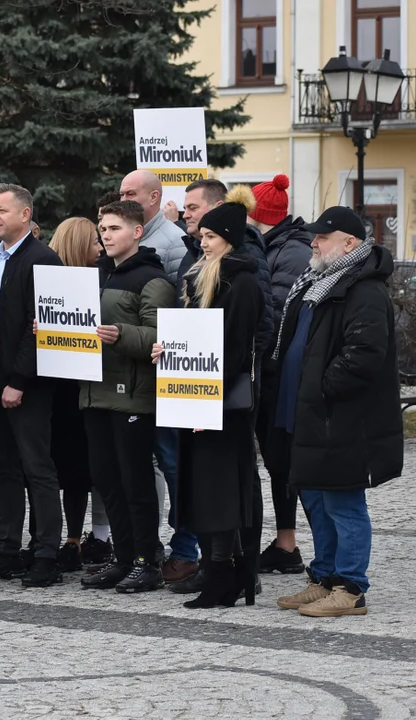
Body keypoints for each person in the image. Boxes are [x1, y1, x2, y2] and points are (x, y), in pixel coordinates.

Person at [274, 206, 403, 618]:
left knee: (343, 503)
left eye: (322, 237)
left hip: (340, 416)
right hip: (311, 414)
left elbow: (364, 355)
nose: (313, 242)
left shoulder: (363, 288)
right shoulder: (318, 282)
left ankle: (351, 587)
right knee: (315, 497)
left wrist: (322, 387)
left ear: (349, 243)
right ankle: (325, 578)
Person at [152, 186, 262, 609]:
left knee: (221, 493)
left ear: (229, 240)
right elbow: (195, 341)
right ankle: (218, 572)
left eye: (210, 237)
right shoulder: (203, 276)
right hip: (198, 402)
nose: (202, 241)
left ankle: (225, 573)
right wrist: (169, 350)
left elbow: (232, 351)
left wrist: (207, 403)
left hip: (221, 408)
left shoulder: (243, 282)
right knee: (202, 490)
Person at [0, 183, 64, 588]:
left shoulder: (42, 259)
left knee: (37, 467)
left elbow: (38, 328)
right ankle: (6, 547)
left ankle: (46, 554)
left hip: (27, 382)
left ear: (25, 215)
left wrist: (19, 381)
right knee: (2, 467)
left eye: (2, 210)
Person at [75, 201, 177, 593]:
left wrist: (122, 335)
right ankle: (122, 558)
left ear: (137, 232)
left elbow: (162, 337)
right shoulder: (95, 274)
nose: (106, 234)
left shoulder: (153, 280)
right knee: (106, 480)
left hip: (133, 397)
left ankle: (146, 561)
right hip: (94, 394)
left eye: (115, 228)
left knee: (135, 482)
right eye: (103, 227)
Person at [246, 175, 314, 575]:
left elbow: (274, 316)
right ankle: (284, 543)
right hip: (271, 374)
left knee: (281, 463)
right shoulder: (276, 247)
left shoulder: (289, 253)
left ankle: (288, 544)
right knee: (277, 463)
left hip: (277, 377)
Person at [46, 217, 101, 572]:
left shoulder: (101, 280)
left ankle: (77, 540)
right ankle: (65, 539)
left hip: (80, 385)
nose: (100, 248)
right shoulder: (50, 284)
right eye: (94, 242)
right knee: (64, 467)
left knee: (79, 469)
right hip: (60, 387)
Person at [119, 170, 187, 284]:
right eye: (122, 195)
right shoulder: (121, 235)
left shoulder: (175, 241)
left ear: (153, 197)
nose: (123, 200)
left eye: (130, 194)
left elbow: (180, 294)